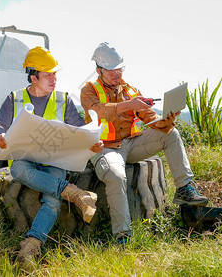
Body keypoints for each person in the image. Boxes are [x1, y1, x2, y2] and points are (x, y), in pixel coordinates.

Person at [80, 42, 209, 243]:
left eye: (120, 69)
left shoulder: (131, 90)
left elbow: (150, 119)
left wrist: (167, 119)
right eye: (112, 70)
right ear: (99, 70)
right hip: (105, 147)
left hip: (131, 144)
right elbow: (95, 110)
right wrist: (127, 105)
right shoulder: (89, 90)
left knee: (171, 134)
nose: (117, 74)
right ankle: (122, 235)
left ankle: (184, 188)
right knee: (115, 175)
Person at [0, 46, 104, 269]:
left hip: (55, 161)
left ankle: (29, 248)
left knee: (52, 200)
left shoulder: (64, 100)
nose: (54, 78)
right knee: (18, 170)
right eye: (48, 74)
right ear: (34, 77)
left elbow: (80, 130)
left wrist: (93, 142)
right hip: (25, 159)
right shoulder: (14, 98)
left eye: (55, 74)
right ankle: (76, 194)